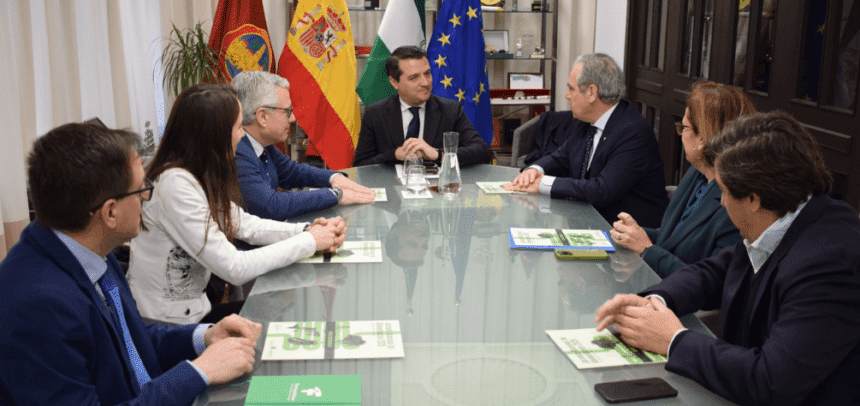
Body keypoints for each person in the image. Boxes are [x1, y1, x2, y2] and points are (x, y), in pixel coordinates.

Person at [594, 111, 860, 406]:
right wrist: (655, 301)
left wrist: (673, 339)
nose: (720, 202)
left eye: (723, 190)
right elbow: (714, 272)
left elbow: (771, 381)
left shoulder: (830, 263)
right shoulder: (785, 217)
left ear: (754, 199)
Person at [0, 123, 263, 405]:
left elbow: (128, 338)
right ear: (110, 212)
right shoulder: (38, 306)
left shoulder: (89, 249)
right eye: (140, 189)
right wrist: (199, 371)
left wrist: (204, 336)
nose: (146, 197)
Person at [128, 84, 346, 325]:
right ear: (215, 134)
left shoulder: (197, 173)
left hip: (194, 313)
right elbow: (234, 266)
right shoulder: (175, 185)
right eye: (238, 127)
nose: (242, 135)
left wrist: (305, 230)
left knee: (281, 308)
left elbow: (243, 224)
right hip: (166, 326)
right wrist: (310, 241)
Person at [504, 53, 669, 228]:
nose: (567, 95)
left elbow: (601, 190)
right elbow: (562, 156)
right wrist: (535, 169)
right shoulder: (585, 121)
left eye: (571, 89)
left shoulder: (632, 132)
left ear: (591, 93)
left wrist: (542, 183)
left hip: (627, 235)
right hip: (588, 223)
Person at [610, 82, 755, 277]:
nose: (681, 135)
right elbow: (671, 238)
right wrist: (634, 234)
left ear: (702, 138)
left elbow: (710, 285)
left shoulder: (734, 202)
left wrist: (646, 249)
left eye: (684, 127)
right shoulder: (697, 173)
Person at [231, 70, 375, 221]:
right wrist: (335, 194)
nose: (292, 118)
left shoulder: (261, 144)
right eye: (287, 111)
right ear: (262, 116)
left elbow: (292, 172)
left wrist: (334, 178)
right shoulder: (237, 151)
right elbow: (270, 206)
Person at [353, 46, 493, 167]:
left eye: (427, 74)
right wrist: (394, 154)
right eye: (414, 77)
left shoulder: (451, 110)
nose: (425, 83)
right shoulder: (376, 113)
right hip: (392, 190)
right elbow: (361, 164)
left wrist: (437, 155)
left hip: (437, 191)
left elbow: (482, 152)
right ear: (394, 82)